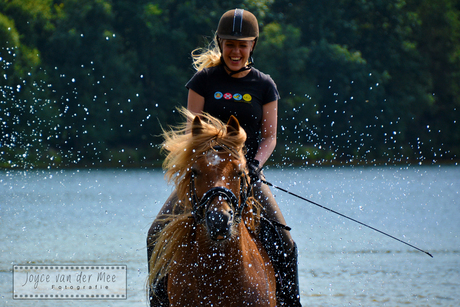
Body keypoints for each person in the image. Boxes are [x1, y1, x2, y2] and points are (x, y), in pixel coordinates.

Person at [147, 9, 301, 306]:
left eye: (243, 45)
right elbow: (194, 133)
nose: (236, 51)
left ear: (252, 45)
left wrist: (254, 165)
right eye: (230, 44)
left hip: (245, 174)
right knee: (155, 233)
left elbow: (269, 137)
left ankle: (291, 302)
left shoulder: (264, 86)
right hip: (204, 176)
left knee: (286, 242)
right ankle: (158, 302)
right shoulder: (202, 81)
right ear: (220, 43)